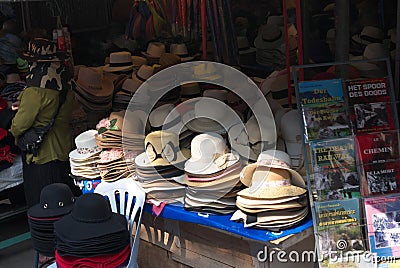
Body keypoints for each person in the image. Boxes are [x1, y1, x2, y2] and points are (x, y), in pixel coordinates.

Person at [10, 38, 80, 208]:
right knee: (65, 202)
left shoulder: (35, 92)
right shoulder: (66, 89)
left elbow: (19, 125)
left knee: (44, 206)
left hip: (42, 155)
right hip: (64, 149)